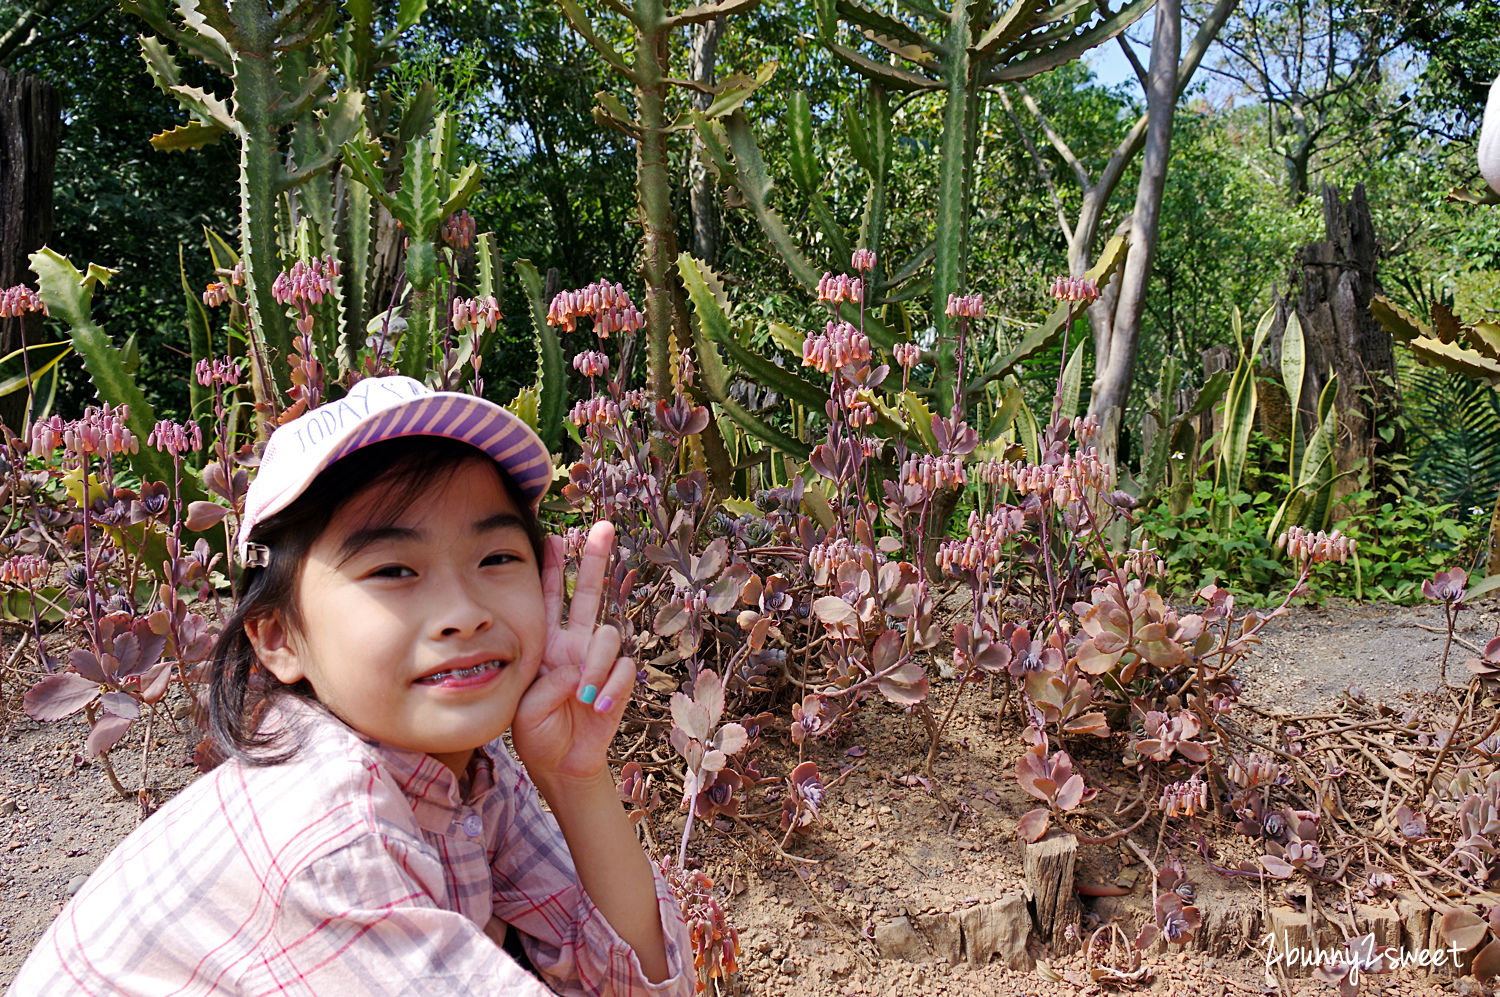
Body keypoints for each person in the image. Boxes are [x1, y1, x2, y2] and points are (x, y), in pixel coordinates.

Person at [9, 375, 692, 996]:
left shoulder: (467, 771)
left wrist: (575, 776)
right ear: (277, 637)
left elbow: (636, 983)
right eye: (394, 570)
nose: (464, 612)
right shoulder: (331, 835)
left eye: (496, 557)